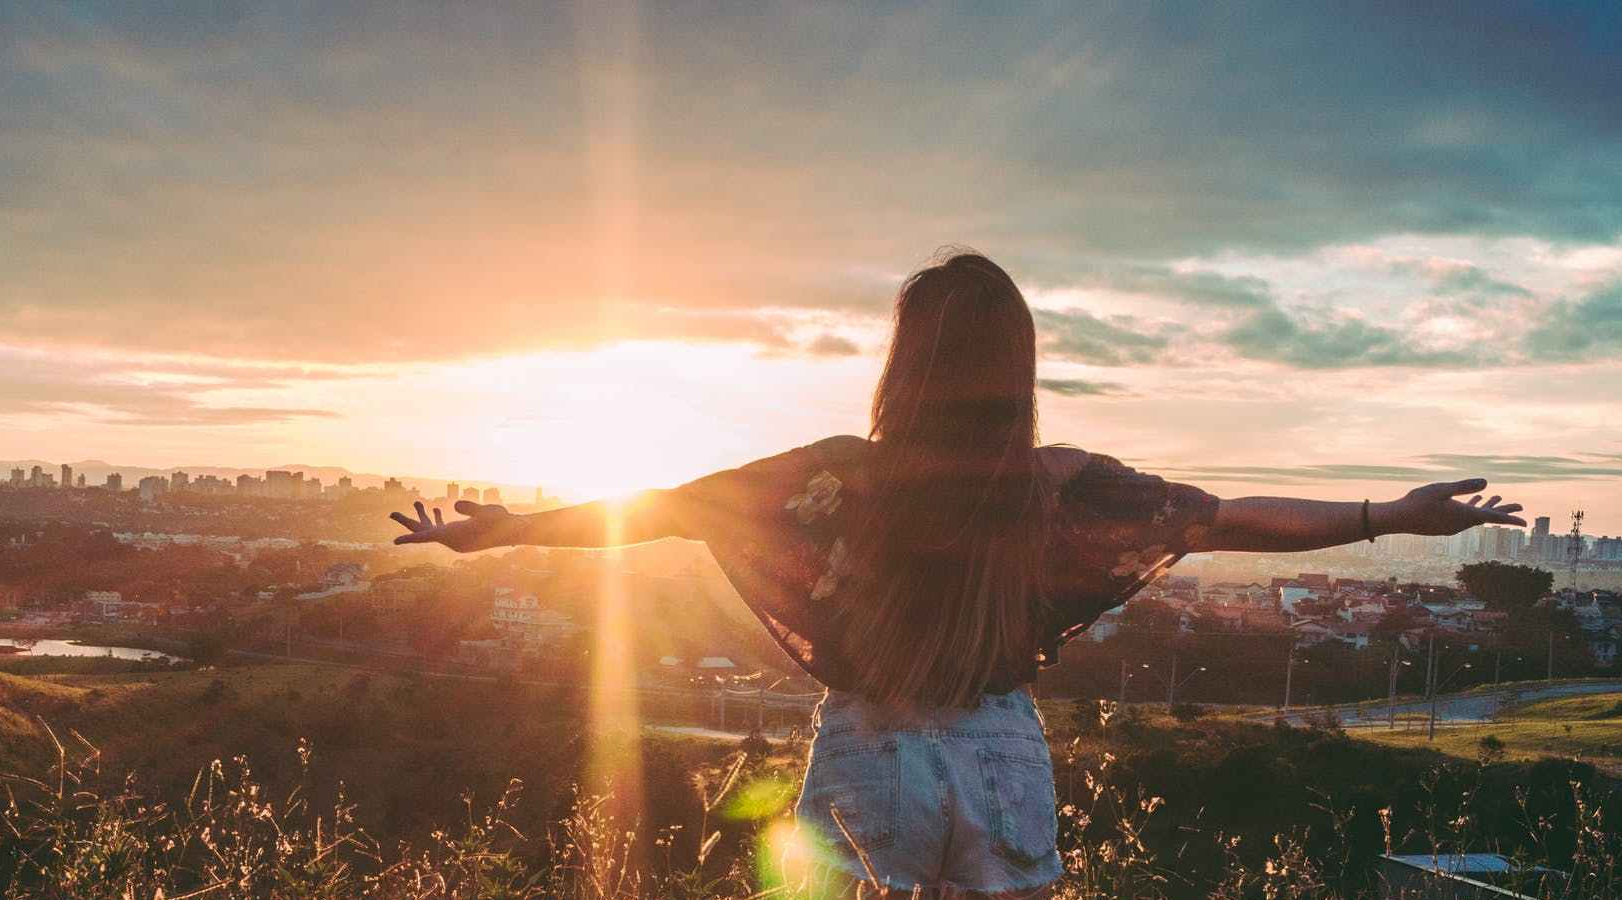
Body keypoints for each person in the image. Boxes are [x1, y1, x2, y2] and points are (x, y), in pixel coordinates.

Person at [389, 251, 1524, 897]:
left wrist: (499, 533)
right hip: (995, 750)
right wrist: (1387, 514)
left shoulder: (836, 479)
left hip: (868, 745)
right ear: (1015, 364)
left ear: (902, 361)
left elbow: (657, 512)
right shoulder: (1061, 487)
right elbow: (1227, 520)